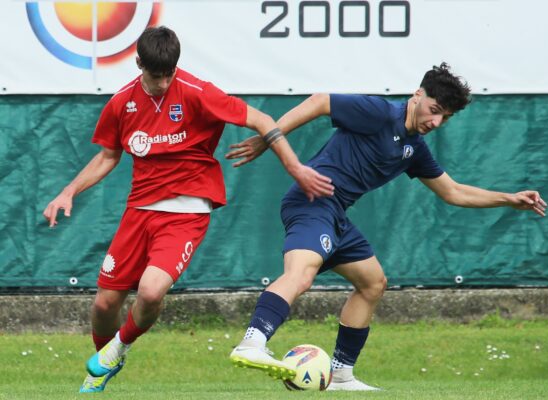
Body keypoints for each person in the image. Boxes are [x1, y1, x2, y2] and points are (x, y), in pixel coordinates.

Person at [42, 26, 334, 393]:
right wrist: (69, 191)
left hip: (186, 212)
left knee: (150, 292)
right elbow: (107, 156)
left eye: (169, 74)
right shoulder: (121, 103)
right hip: (139, 211)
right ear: (138, 64)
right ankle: (104, 364)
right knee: (104, 305)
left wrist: (294, 167)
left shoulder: (197, 92)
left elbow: (262, 120)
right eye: (155, 75)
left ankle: (117, 349)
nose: (163, 83)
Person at [225, 63, 548, 390]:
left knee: (373, 283)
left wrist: (508, 198)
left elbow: (453, 191)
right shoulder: (379, 113)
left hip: (337, 215)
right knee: (301, 274)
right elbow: (321, 101)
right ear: (417, 96)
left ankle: (339, 375)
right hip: (312, 202)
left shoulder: (414, 148)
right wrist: (270, 138)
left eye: (445, 118)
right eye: (434, 110)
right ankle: (252, 342)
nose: (436, 122)